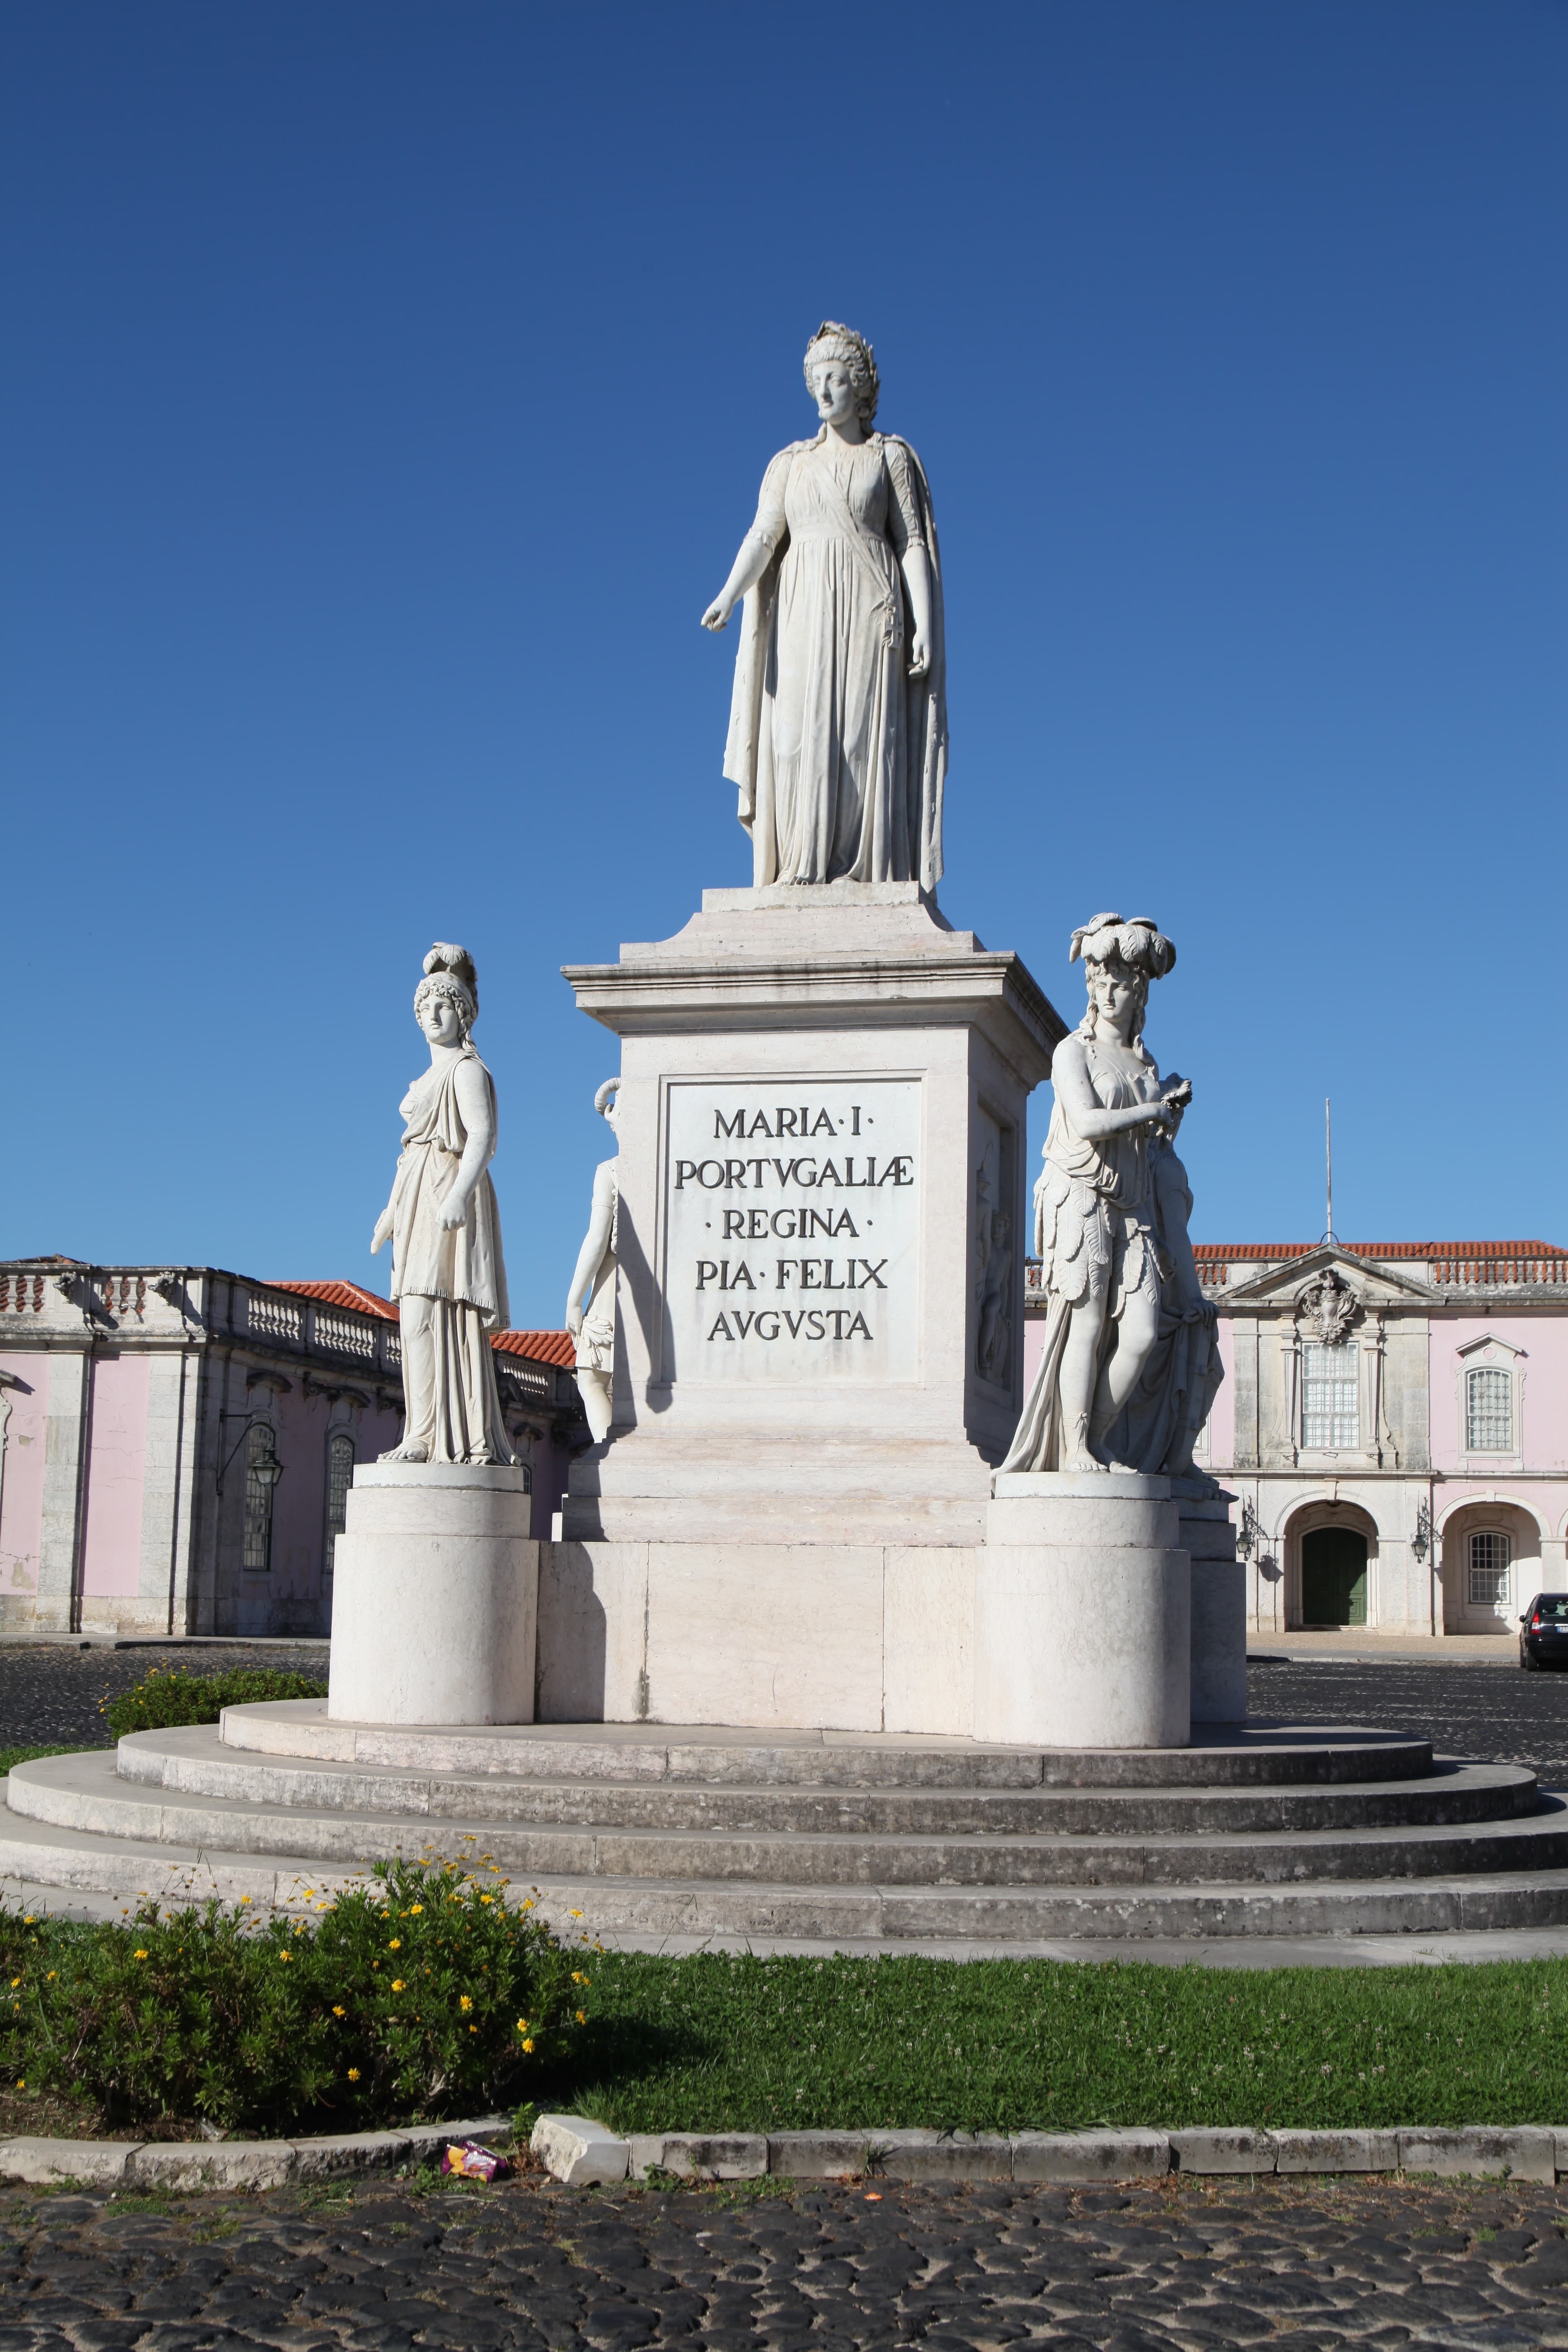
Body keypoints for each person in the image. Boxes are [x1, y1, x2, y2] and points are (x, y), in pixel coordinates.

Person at [702, 321, 947, 890]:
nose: (825, 391)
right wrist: (729, 595)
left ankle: (864, 874)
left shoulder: (891, 458)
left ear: (859, 387)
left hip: (870, 604)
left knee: (862, 740)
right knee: (792, 739)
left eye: (836, 379)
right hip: (803, 605)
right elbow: (764, 535)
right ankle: (799, 864)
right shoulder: (789, 463)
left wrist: (925, 626)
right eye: (817, 380)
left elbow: (912, 542)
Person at [999, 915, 1192, 1476]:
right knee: (1085, 1324)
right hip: (1079, 1195)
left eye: (1120, 982)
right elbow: (1084, 1122)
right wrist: (1152, 1108)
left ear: (1142, 988)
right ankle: (1076, 1446)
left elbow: (1148, 1142)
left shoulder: (1144, 1062)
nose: (1107, 993)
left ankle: (1099, 1438)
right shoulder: (1071, 1052)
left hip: (1134, 1207)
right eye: (1098, 982)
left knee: (1141, 1333)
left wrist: (1168, 1113)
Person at [371, 944, 516, 1466]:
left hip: (450, 1191)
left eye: (446, 1005)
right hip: (415, 1195)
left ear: (465, 1013)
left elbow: (482, 1137)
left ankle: (450, 1436)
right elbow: (407, 1152)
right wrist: (391, 1212)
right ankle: (423, 1432)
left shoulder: (467, 1071)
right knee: (413, 1317)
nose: (434, 1014)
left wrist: (458, 1194)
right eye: (425, 1007)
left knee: (439, 1313)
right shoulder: (423, 1080)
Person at [564, 1078, 620, 1445]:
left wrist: (574, 1298)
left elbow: (597, 1239)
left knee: (593, 1377)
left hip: (615, 1283)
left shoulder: (611, 1170)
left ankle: (609, 1454)